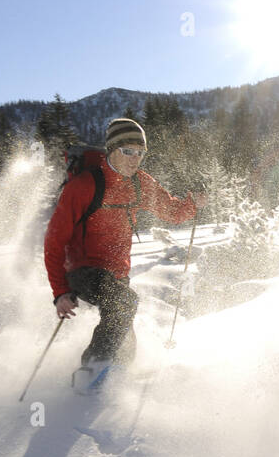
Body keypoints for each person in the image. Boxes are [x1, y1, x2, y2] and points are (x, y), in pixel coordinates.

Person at [43, 118, 203, 378]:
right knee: (124, 303)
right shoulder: (84, 186)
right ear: (111, 150)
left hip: (116, 275)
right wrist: (60, 291)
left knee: (125, 344)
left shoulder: (140, 183)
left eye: (140, 152)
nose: (135, 158)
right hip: (83, 270)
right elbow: (54, 241)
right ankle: (91, 373)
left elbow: (172, 212)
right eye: (127, 151)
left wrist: (192, 203)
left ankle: (115, 383)